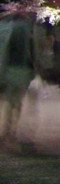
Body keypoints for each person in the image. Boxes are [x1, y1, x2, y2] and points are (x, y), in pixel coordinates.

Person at [0, 13, 39, 147]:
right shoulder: (29, 33)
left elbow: (5, 52)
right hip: (23, 71)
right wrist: (35, 70)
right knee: (16, 102)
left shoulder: (8, 31)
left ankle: (7, 130)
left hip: (11, 70)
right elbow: (34, 54)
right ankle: (11, 130)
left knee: (10, 101)